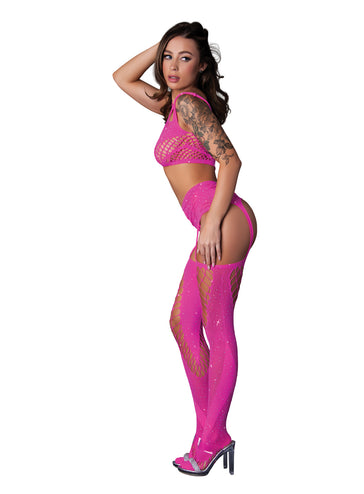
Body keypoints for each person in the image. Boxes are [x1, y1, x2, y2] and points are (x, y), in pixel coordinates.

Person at [113, 21, 257, 476]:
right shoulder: (171, 103)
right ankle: (208, 434)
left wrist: (211, 222)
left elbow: (230, 160)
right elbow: (122, 77)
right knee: (182, 323)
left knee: (217, 326)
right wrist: (163, 42)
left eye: (185, 57)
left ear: (203, 67)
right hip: (212, 223)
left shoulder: (191, 104)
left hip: (223, 221)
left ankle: (212, 438)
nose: (173, 66)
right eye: (168, 57)